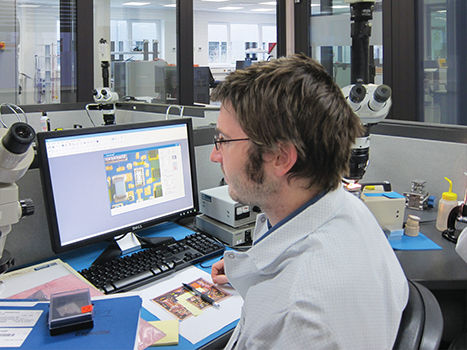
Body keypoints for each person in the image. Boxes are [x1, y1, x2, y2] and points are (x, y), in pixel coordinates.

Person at [209, 54, 408, 349]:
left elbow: (292, 306)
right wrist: (250, 271)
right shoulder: (348, 209)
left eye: (224, 140)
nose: (215, 154)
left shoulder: (298, 316)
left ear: (280, 157)